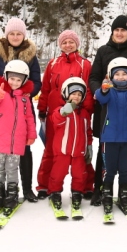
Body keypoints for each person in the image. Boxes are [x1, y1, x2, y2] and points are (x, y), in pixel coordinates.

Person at [88, 15, 127, 205]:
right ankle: (100, 188)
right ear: (112, 32)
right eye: (116, 30)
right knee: (104, 150)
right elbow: (93, 77)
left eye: (123, 30)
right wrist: (99, 91)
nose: (119, 33)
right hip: (106, 107)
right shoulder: (103, 51)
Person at [0, 18, 42, 201]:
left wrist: (23, 91)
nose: (15, 37)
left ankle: (26, 188)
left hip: (22, 106)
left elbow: (36, 82)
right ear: (6, 34)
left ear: (23, 36)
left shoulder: (31, 55)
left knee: (24, 148)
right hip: (0, 107)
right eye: (12, 33)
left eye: (18, 34)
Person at [35, 29, 94, 203]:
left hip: (78, 113)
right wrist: (42, 109)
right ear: (60, 45)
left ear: (77, 44)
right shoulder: (53, 64)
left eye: (71, 42)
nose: (68, 45)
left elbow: (89, 90)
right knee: (52, 150)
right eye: (64, 42)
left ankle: (85, 186)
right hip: (56, 113)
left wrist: (87, 109)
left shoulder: (85, 64)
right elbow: (46, 89)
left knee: (81, 150)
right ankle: (45, 185)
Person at [93, 57, 127, 221]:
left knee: (125, 168)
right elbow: (100, 97)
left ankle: (124, 194)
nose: (121, 77)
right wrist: (103, 89)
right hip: (109, 138)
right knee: (109, 168)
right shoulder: (109, 91)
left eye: (125, 74)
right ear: (111, 76)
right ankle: (107, 193)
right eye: (118, 74)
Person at [0, 60, 38, 211]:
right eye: (12, 78)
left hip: (17, 140)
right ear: (6, 77)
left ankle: (12, 193)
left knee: (12, 168)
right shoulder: (1, 92)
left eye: (18, 79)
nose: (15, 82)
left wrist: (31, 134)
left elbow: (29, 117)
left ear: (24, 81)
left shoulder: (25, 98)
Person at [45, 77, 93, 218]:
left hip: (79, 152)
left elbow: (87, 131)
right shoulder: (61, 111)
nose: (76, 96)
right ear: (66, 94)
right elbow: (55, 120)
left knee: (80, 174)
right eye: (73, 93)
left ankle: (77, 193)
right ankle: (55, 193)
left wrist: (89, 146)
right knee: (58, 174)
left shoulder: (84, 114)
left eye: (79, 94)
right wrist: (63, 112)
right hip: (63, 151)